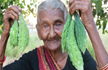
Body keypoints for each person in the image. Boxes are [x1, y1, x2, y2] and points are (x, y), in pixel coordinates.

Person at [0, 0, 107, 70]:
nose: (51, 34)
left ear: (67, 27)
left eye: (58, 24)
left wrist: (90, 24)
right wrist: (5, 34)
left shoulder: (80, 56)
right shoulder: (31, 59)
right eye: (45, 26)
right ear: (38, 31)